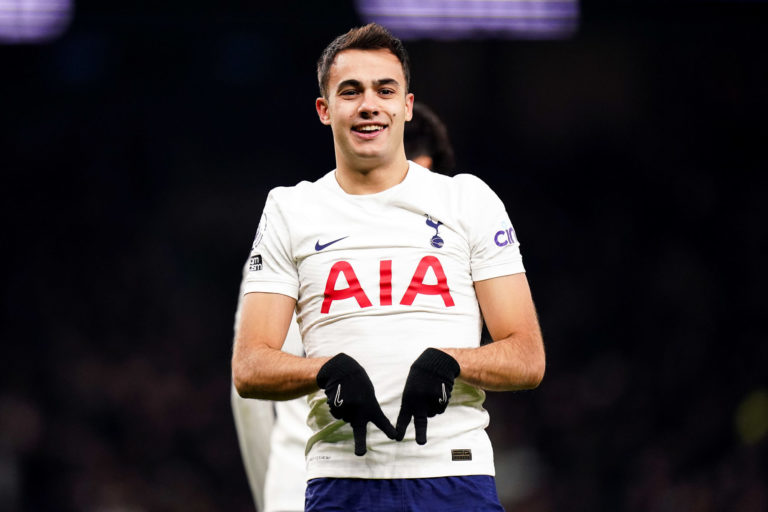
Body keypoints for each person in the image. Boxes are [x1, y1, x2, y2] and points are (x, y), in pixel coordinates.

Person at [232, 23, 545, 512]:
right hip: (341, 480)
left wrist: (453, 362)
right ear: (324, 109)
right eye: (350, 91)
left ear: (406, 105)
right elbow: (250, 366)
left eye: (385, 90)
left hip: (455, 474)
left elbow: (527, 356)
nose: (369, 105)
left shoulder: (468, 200)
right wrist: (324, 371)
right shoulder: (290, 210)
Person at [231, 102, 459, 512]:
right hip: (307, 482)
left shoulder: (447, 256)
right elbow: (248, 391)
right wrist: (277, 491)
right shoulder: (296, 234)